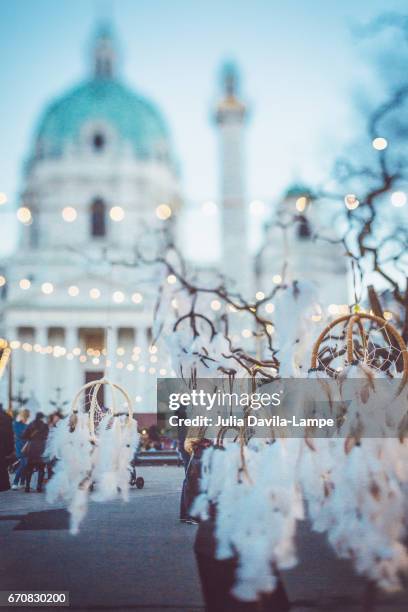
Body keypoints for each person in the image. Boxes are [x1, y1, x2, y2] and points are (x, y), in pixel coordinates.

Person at [22, 412, 49, 493]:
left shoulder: (31, 425)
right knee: (41, 468)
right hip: (41, 448)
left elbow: (24, 435)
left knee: (29, 468)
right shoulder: (45, 425)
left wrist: (30, 437)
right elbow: (47, 436)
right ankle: (39, 487)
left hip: (32, 448)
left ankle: (27, 487)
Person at [11, 408, 30, 489]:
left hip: (27, 447)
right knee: (23, 464)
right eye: (24, 416)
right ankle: (15, 482)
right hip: (19, 446)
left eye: (26, 416)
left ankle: (22, 482)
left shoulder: (28, 426)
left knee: (25, 464)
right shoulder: (15, 424)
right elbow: (17, 434)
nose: (25, 418)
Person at [0, 403, 14, 492]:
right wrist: (10, 449)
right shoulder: (7, 417)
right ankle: (3, 485)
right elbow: (11, 435)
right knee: (2, 466)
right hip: (4, 446)